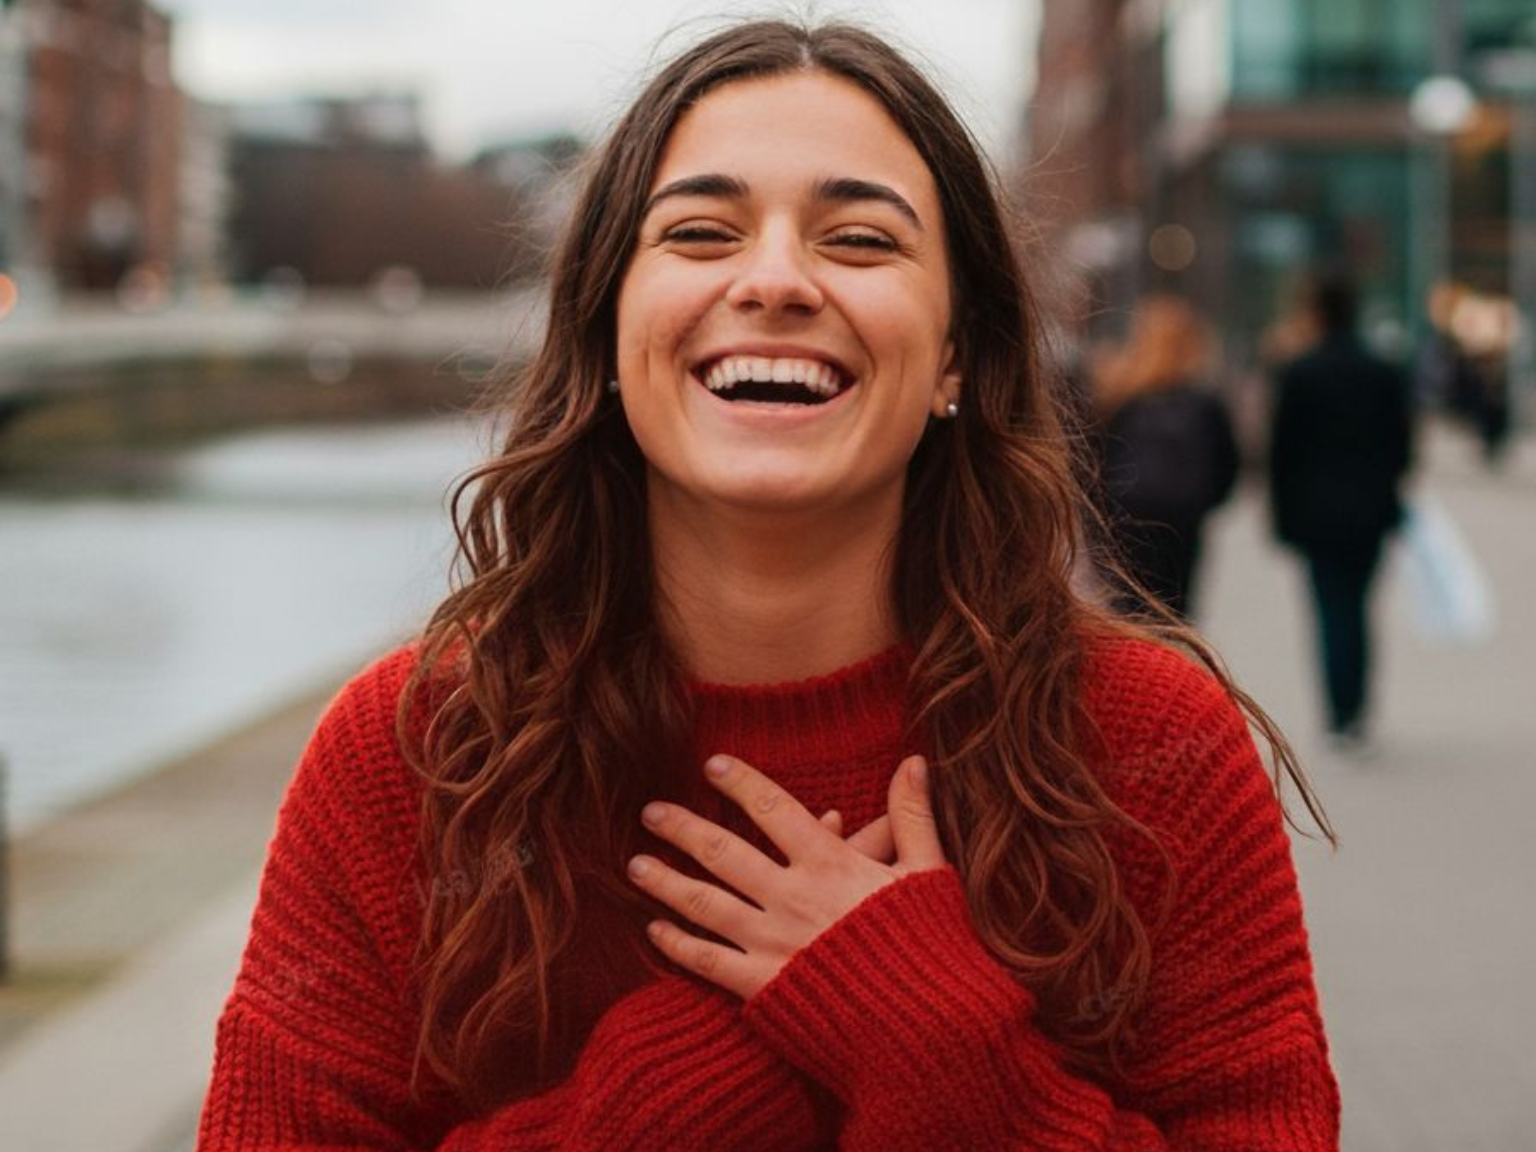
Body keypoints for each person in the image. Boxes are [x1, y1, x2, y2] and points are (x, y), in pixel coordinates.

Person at [198, 20, 1340, 1151]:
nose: (778, 280)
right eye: (700, 231)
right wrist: (661, 1108)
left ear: (954, 354)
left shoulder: (1151, 747)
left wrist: (945, 1053)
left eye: (859, 240)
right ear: (603, 334)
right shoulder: (413, 756)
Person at [1270, 272, 1414, 747]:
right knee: (1358, 605)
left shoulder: (1300, 372)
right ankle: (1356, 707)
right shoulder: (1382, 371)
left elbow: (1282, 452)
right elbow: (1402, 447)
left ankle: (1339, 711)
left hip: (1315, 514)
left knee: (1331, 609)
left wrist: (1281, 517)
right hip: (1370, 511)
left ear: (1317, 313)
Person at [1089, 295, 1240, 620]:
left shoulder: (1120, 395)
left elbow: (1093, 460)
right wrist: (1201, 502)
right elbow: (1227, 466)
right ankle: (1171, 668)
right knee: (1175, 611)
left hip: (1126, 516)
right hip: (1182, 521)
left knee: (1129, 610)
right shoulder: (1204, 402)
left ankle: (1132, 668)